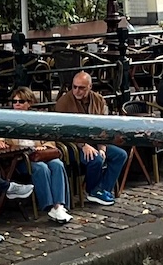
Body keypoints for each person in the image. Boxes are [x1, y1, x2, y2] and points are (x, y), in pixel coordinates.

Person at [0, 89, 71, 222]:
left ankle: (59, 205)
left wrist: (45, 146)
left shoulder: (37, 119)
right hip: (21, 159)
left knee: (57, 164)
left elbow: (49, 137)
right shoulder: (7, 118)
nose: (17, 104)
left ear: (29, 103)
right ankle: (48, 206)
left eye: (21, 101)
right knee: (40, 168)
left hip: (39, 153)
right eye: (14, 101)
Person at [52, 70, 129, 205]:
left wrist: (102, 148)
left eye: (81, 88)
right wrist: (83, 145)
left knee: (120, 155)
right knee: (95, 159)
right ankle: (92, 191)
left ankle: (102, 189)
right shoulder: (64, 102)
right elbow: (64, 131)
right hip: (72, 145)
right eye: (74, 87)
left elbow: (103, 127)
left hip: (95, 141)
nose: (77, 91)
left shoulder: (98, 100)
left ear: (90, 87)